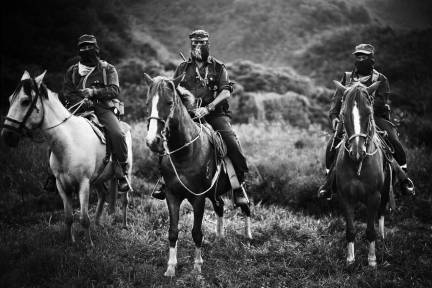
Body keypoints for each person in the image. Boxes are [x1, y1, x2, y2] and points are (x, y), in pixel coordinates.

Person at [152, 29, 249, 206]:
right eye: (195, 42)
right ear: (191, 44)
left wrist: (208, 108)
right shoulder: (182, 68)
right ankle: (163, 180)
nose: (198, 45)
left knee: (231, 141)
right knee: (167, 139)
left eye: (202, 42)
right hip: (189, 116)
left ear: (207, 44)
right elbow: (172, 91)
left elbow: (226, 91)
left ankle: (238, 186)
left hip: (215, 114)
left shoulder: (218, 67)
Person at [317, 43, 414, 200]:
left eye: (364, 56)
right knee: (332, 144)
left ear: (371, 59)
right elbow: (336, 99)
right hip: (349, 118)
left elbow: (382, 101)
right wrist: (334, 116)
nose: (360, 59)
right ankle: (328, 183)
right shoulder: (347, 77)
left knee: (393, 140)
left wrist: (362, 105)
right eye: (358, 56)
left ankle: (404, 180)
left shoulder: (381, 79)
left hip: (374, 117)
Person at [44, 34, 130, 192]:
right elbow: (67, 92)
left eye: (89, 46)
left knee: (117, 134)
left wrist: (93, 92)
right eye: (82, 47)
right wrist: (81, 102)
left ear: (96, 49)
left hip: (103, 108)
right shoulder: (72, 70)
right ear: (79, 50)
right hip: (78, 107)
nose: (86, 50)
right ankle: (52, 174)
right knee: (56, 132)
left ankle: (121, 171)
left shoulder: (107, 68)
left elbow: (114, 90)